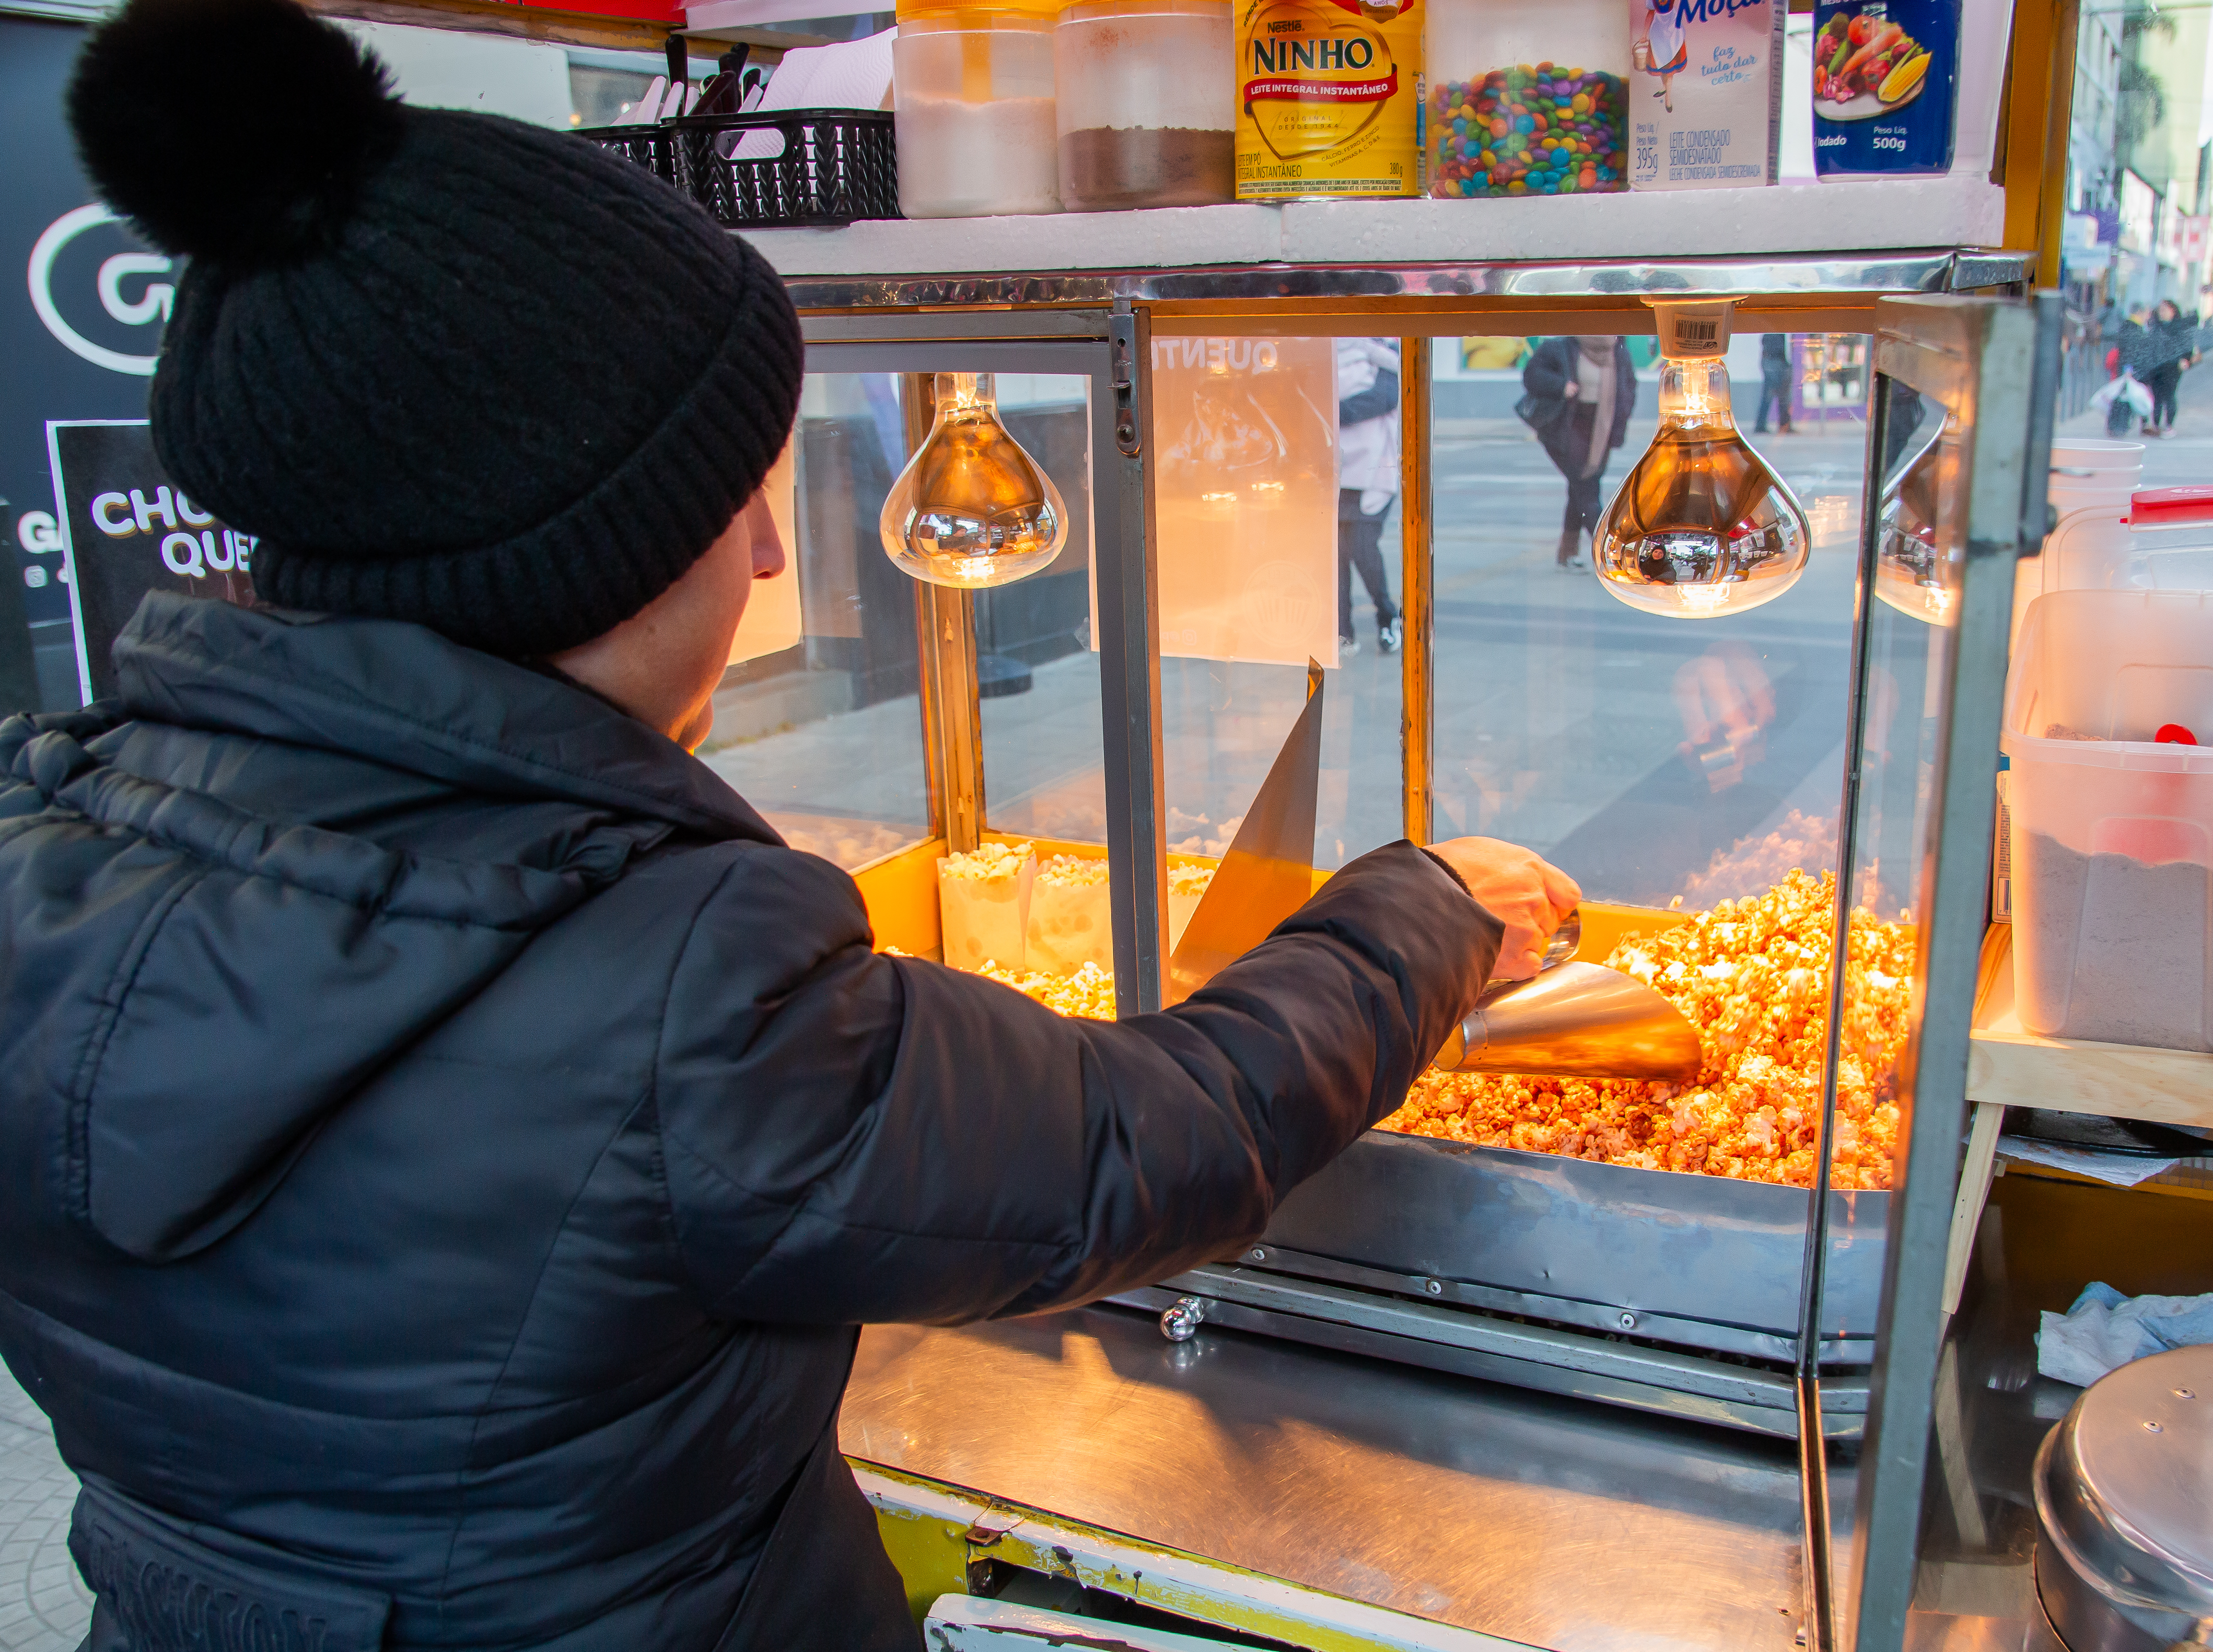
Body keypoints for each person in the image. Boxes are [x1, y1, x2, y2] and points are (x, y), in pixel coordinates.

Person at [0, 5, 1583, 1650]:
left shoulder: (40, 833)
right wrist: (1420, 911)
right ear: (581, 556)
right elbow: (1151, 1144)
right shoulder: (683, 977)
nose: (770, 555)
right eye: (731, 501)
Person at [1520, 336, 1638, 570]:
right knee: (1586, 488)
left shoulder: (1619, 351)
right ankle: (1611, 552)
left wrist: (1618, 429)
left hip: (1600, 430)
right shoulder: (1562, 347)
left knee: (1581, 488)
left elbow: (1628, 390)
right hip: (1567, 426)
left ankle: (1568, 552)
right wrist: (1561, 386)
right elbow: (1532, 376)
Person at [1335, 336, 1403, 657]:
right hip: (1332, 474)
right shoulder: (1316, 356)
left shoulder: (1385, 355)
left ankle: (1388, 617)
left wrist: (1332, 411)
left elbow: (1385, 398)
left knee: (1363, 551)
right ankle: (1342, 632)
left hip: (1375, 474)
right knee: (1333, 560)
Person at [2138, 298, 2196, 437]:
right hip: (2156, 366)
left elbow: (2187, 345)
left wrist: (2186, 360)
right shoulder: (2154, 326)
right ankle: (2156, 425)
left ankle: (2169, 425)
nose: (2162, 313)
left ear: (2173, 311)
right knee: (2156, 396)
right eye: (2160, 310)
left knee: (2169, 395)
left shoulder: (2180, 327)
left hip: (2172, 366)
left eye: (2165, 310)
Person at [1753, 332, 1796, 434]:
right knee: (1771, 394)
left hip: (1779, 361)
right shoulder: (1775, 329)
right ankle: (1762, 425)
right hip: (1774, 360)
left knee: (1782, 395)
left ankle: (1783, 425)